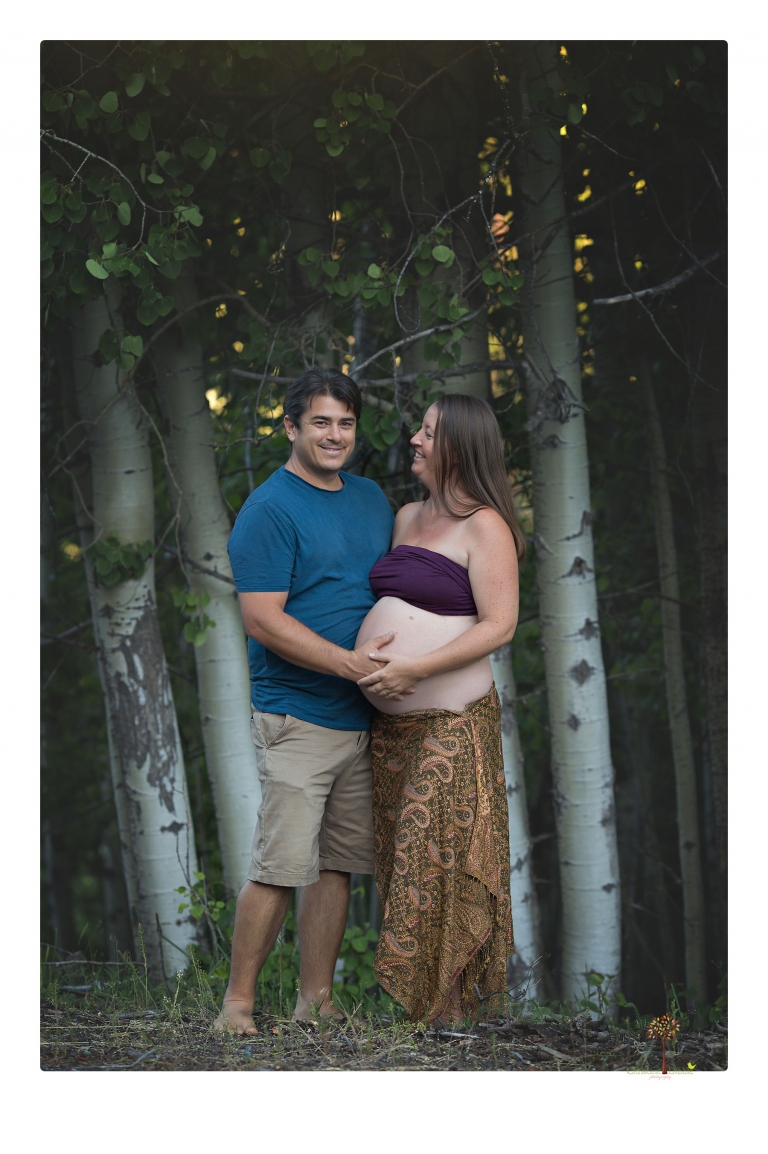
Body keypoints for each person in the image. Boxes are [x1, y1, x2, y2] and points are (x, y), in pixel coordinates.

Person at [214, 367, 399, 1035]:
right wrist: (350, 664)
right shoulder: (270, 509)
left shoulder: (372, 498)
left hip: (365, 718)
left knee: (337, 865)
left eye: (345, 422)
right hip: (298, 715)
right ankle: (237, 1003)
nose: (334, 434)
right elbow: (263, 619)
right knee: (279, 864)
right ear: (290, 428)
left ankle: (315, 1001)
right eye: (320, 421)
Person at [354, 393, 526, 1025]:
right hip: (392, 732)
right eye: (420, 428)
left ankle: (454, 1015)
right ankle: (426, 1018)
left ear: (459, 447)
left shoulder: (485, 525)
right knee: (408, 862)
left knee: (445, 860)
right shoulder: (405, 517)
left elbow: (500, 624)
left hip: (453, 726)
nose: (415, 440)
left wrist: (415, 667)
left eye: (428, 432)